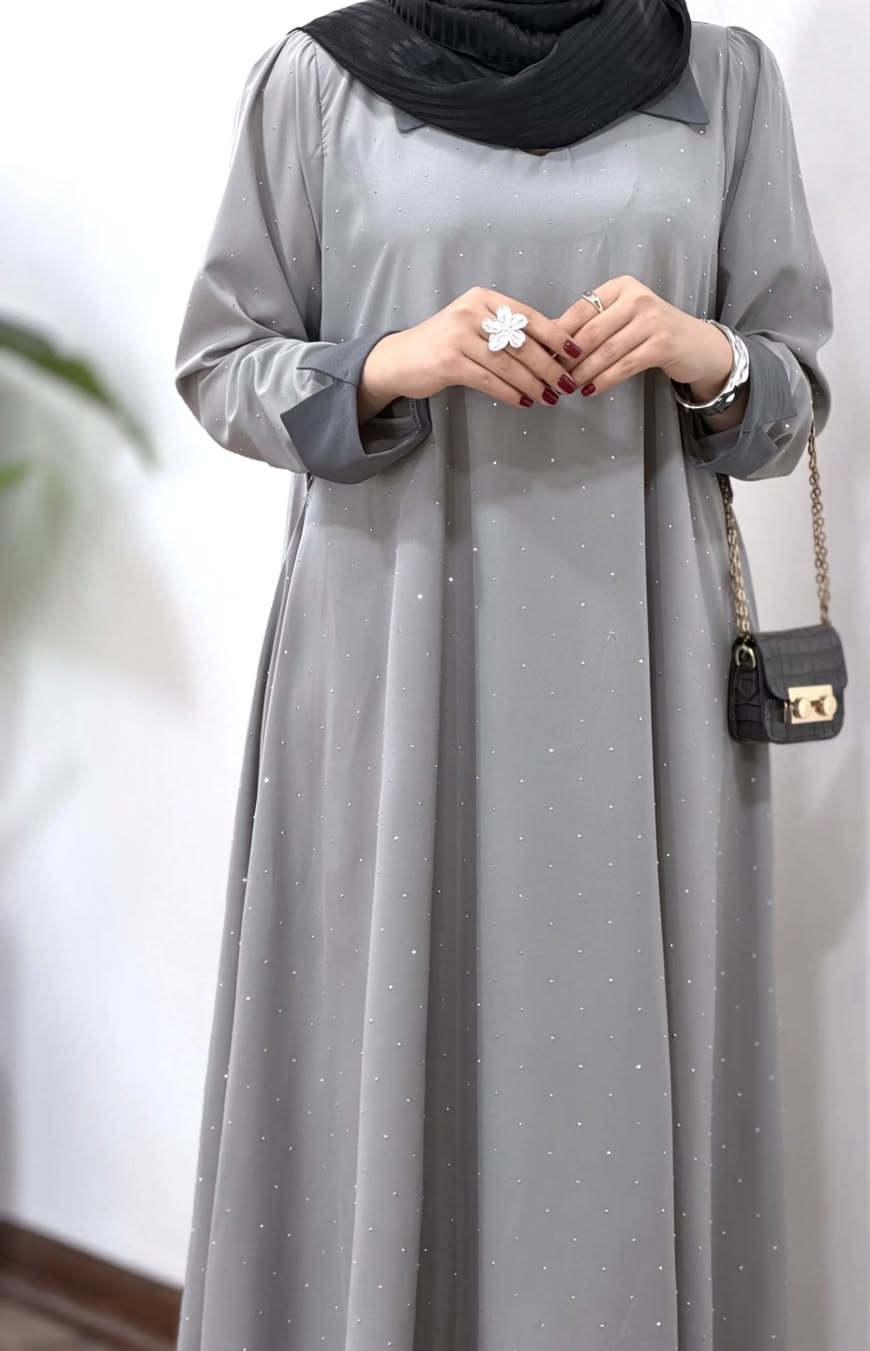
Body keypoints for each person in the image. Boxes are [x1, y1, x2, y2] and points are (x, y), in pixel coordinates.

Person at [171, 2, 833, 1348]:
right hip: (392, 645)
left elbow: (786, 399)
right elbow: (220, 365)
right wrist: (392, 362)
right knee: (378, 1020)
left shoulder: (722, 79)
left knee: (613, 1044)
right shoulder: (319, 83)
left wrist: (700, 350)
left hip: (643, 665)